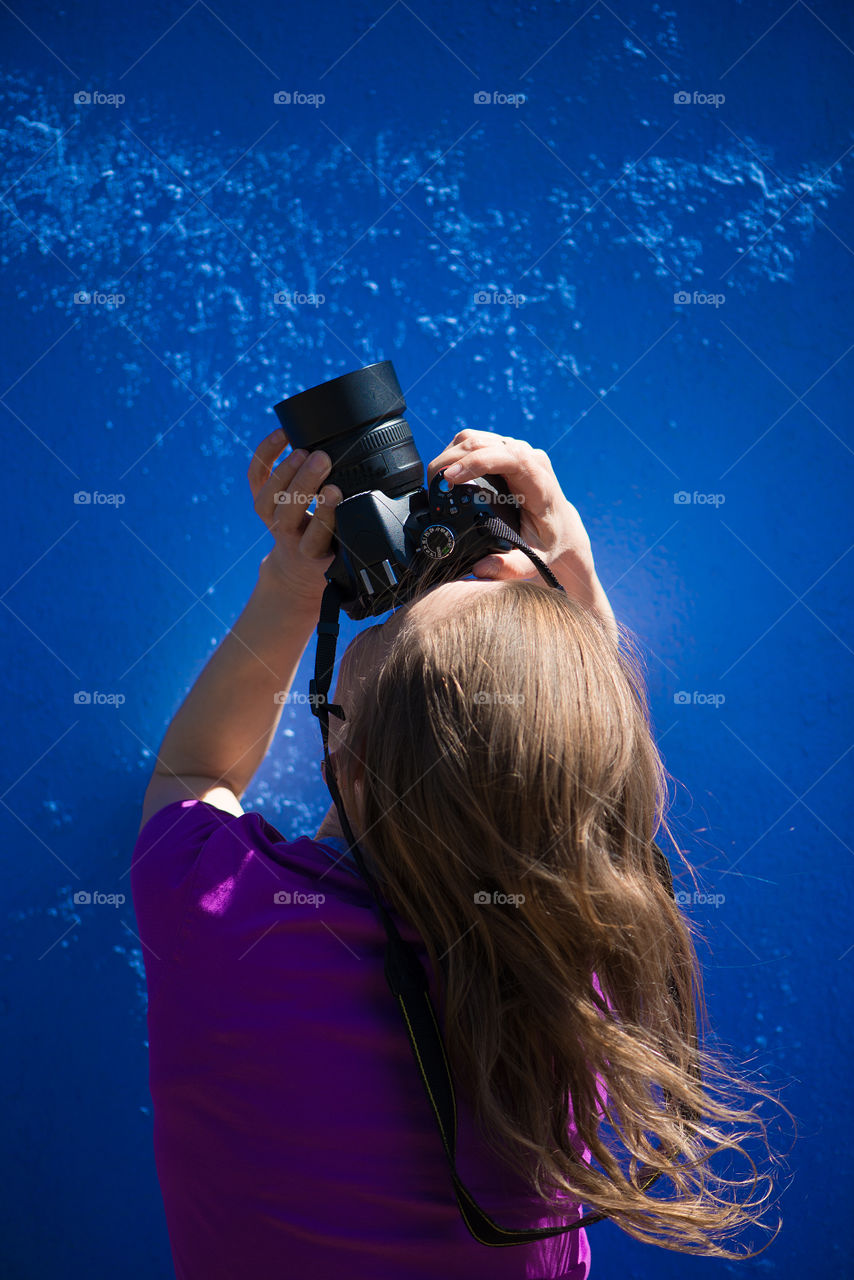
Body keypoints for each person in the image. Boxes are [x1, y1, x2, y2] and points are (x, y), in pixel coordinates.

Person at [132, 429, 779, 1279]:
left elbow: (195, 771)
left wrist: (294, 584)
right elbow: (591, 787)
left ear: (349, 765)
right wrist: (567, 567)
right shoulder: (569, 981)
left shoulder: (221, 911)